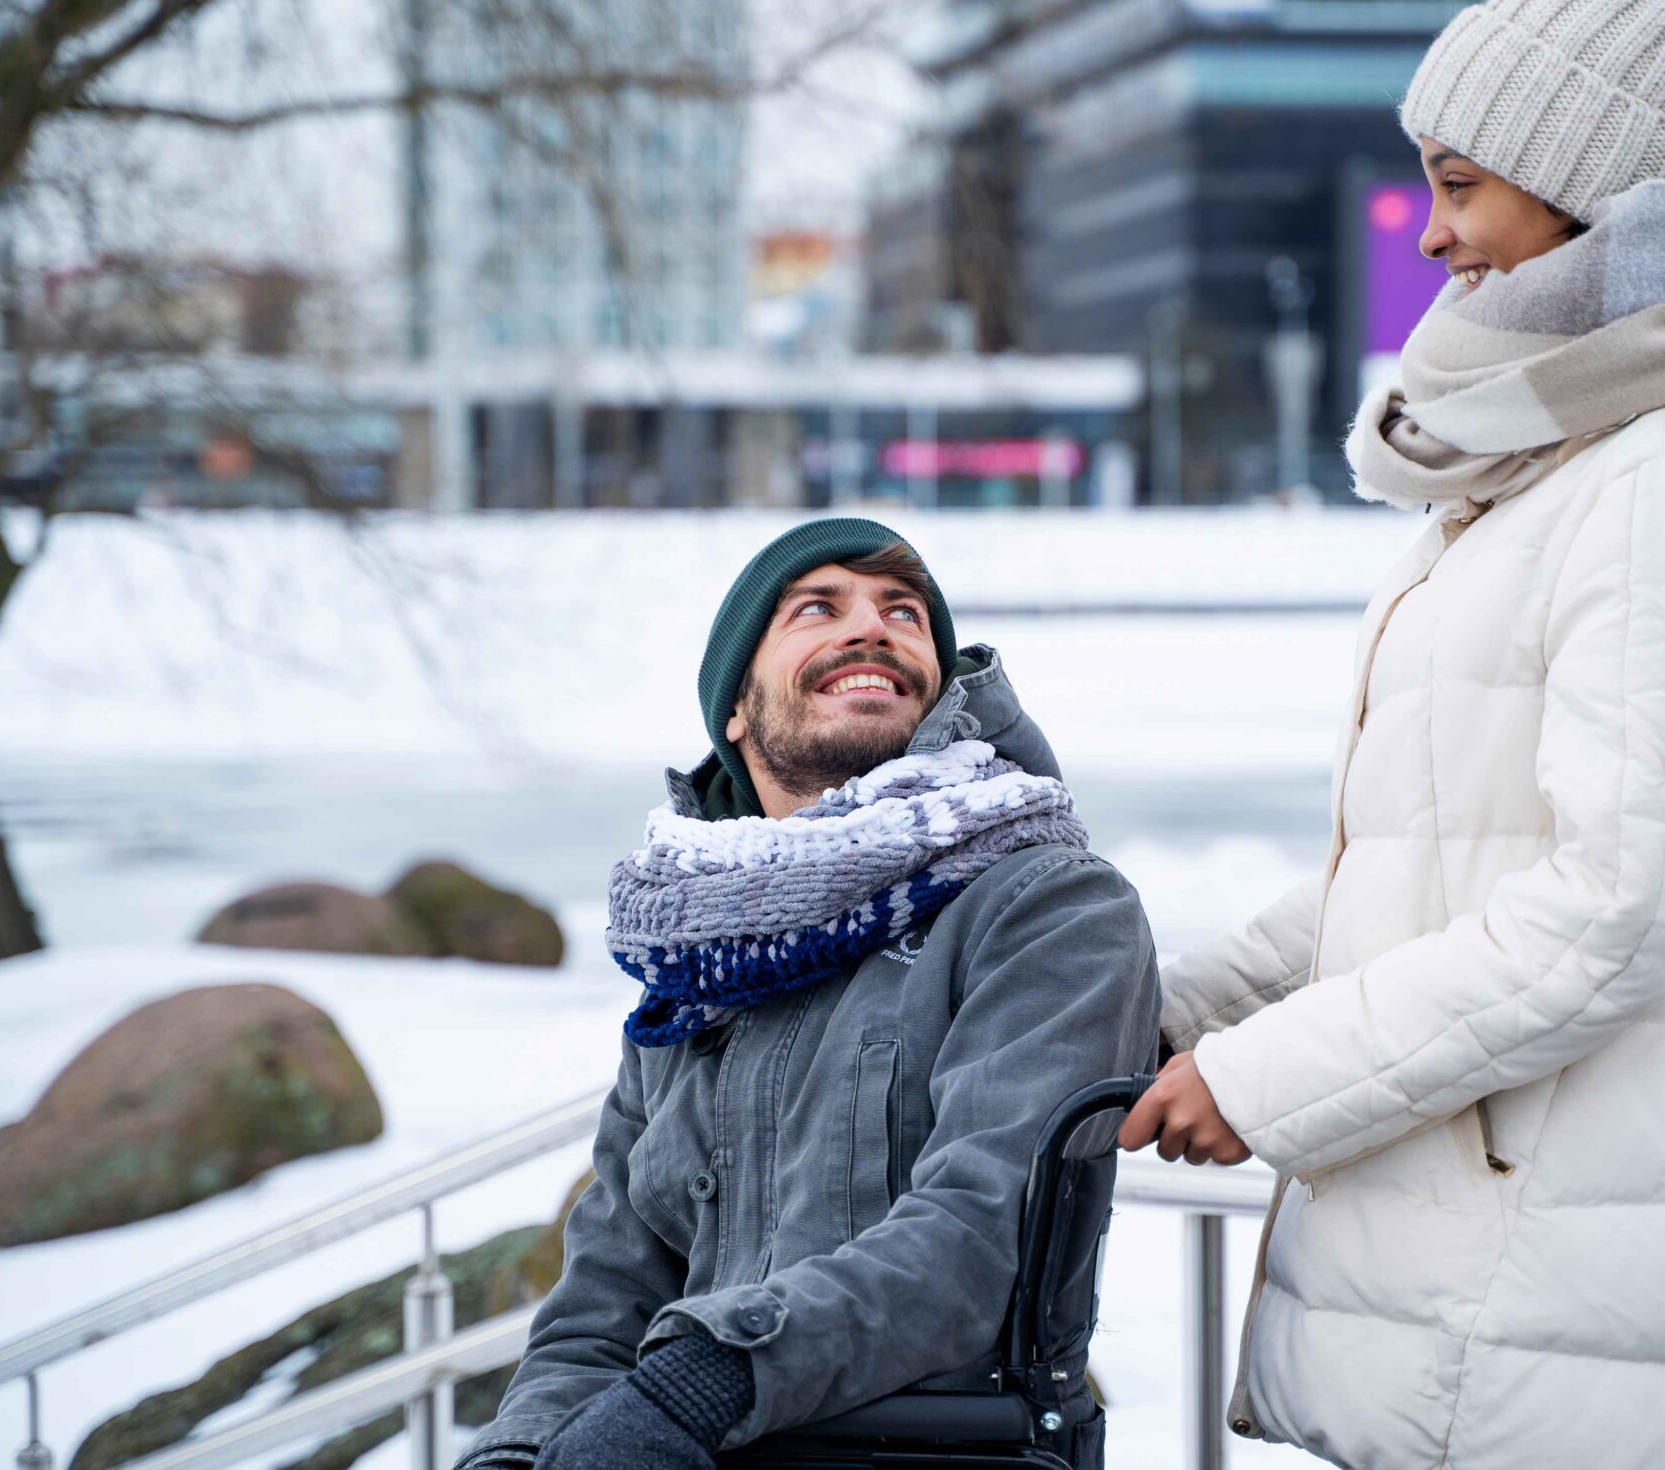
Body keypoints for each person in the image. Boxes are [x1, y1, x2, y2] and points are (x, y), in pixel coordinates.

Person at [1120, 0, 1665, 1469]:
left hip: (1614, 1325)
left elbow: (1607, 913)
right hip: (1536, 1291)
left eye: (1461, 182)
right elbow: (1435, 863)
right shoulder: (1560, 458)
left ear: (1589, 188)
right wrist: (1167, 1009)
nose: (1429, 233)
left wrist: (1264, 1081)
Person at [464, 518, 1158, 1470]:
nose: (872, 629)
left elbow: (980, 1235)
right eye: (817, 608)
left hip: (935, 1452)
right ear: (737, 708)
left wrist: (701, 1385)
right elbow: (608, 1284)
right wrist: (523, 1446)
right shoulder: (697, 956)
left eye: (903, 613)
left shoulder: (1046, 904)